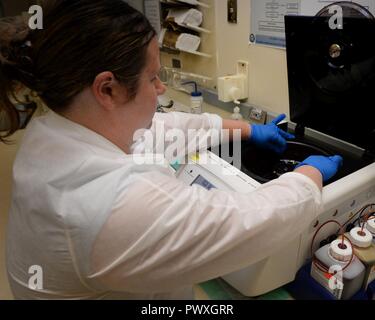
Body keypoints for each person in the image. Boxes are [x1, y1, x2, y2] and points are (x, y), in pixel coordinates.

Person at [0, 0, 343, 300]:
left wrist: (249, 129)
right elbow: (249, 223)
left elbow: (162, 129)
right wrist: (308, 175)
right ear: (107, 89)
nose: (162, 87)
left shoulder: (55, 129)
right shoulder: (111, 203)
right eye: (152, 78)